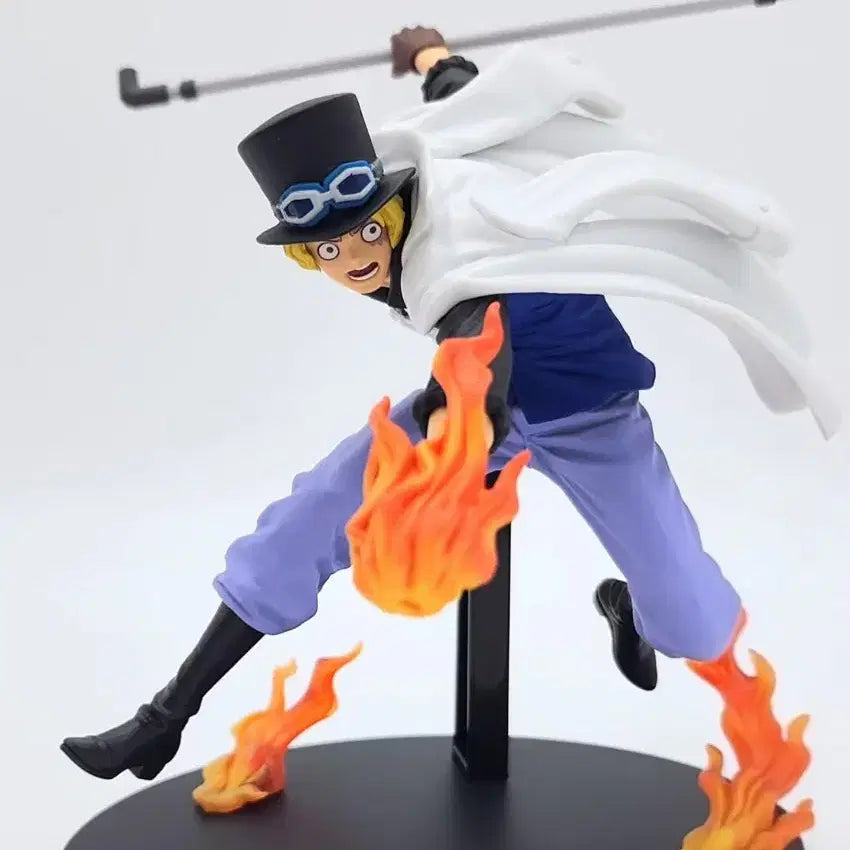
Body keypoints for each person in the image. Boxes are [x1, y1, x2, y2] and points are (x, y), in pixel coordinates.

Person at [61, 25, 836, 784]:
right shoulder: (446, 161)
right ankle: (163, 718)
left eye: (365, 232)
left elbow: (479, 361)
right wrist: (433, 57)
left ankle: (634, 607)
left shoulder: (450, 263)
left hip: (584, 411)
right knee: (300, 527)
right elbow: (472, 106)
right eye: (327, 249)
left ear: (392, 210)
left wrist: (449, 443)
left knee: (696, 619)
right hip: (464, 404)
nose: (354, 259)